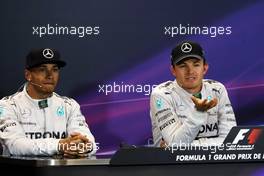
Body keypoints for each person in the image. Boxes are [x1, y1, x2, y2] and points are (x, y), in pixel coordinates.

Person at [0, 48, 96, 157]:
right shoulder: (7, 105)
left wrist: (83, 147)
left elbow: (88, 141)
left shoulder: (69, 106)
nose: (50, 75)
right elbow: (15, 145)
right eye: (42, 69)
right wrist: (60, 145)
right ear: (28, 75)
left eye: (54, 69)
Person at [150, 41, 237, 147]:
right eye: (183, 66)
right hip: (171, 163)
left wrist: (191, 145)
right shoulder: (162, 94)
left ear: (204, 68)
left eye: (196, 65)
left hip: (214, 162)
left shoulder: (217, 90)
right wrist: (199, 113)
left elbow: (230, 141)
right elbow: (176, 145)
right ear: (173, 70)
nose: (190, 71)